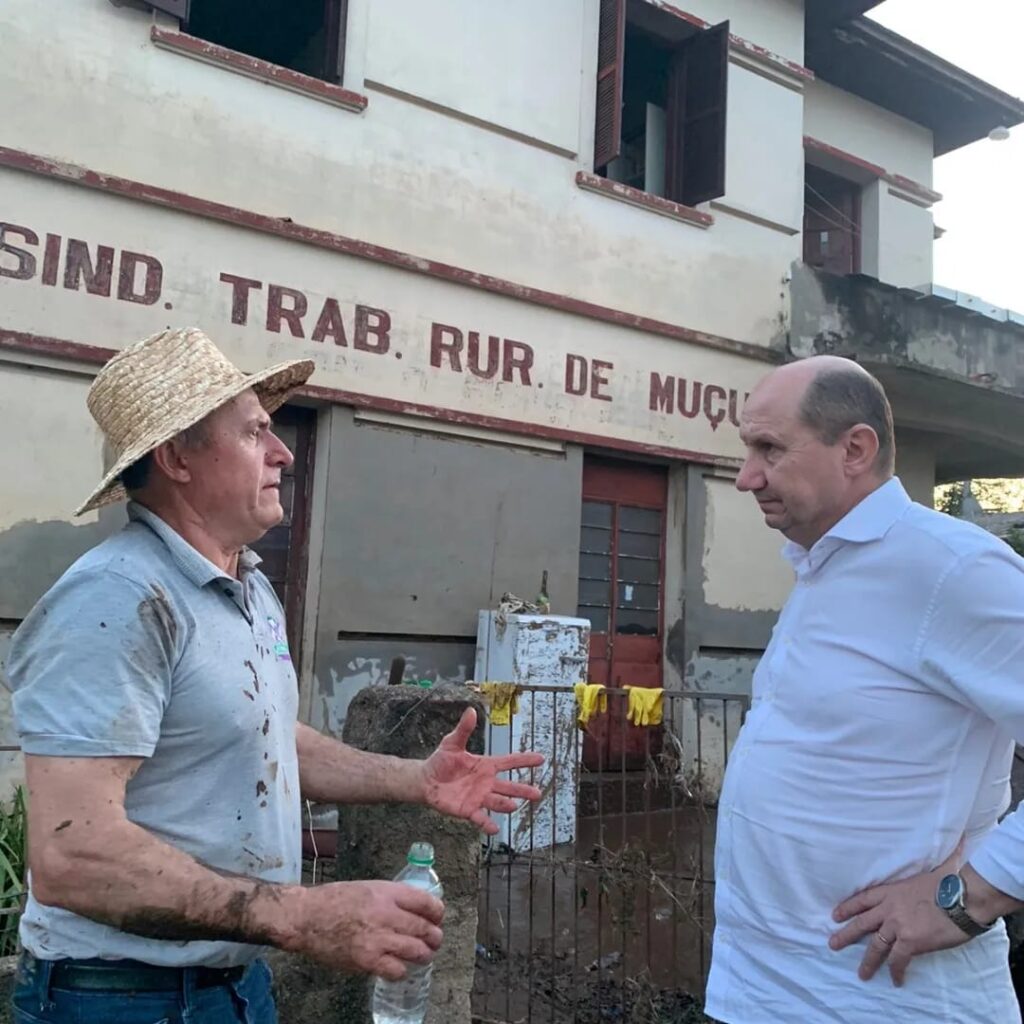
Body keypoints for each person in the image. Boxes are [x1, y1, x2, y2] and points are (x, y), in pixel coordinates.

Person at [5, 327, 544, 1024]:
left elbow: (264, 735)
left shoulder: (247, 587)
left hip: (235, 986)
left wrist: (412, 779)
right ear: (177, 458)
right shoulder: (116, 600)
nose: (283, 452)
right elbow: (71, 853)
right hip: (116, 998)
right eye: (256, 431)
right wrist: (302, 915)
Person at [704, 355, 1024, 1023]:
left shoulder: (951, 569)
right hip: (769, 990)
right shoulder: (824, 568)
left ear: (855, 449)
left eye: (769, 448)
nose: (746, 476)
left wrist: (972, 897)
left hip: (886, 1000)